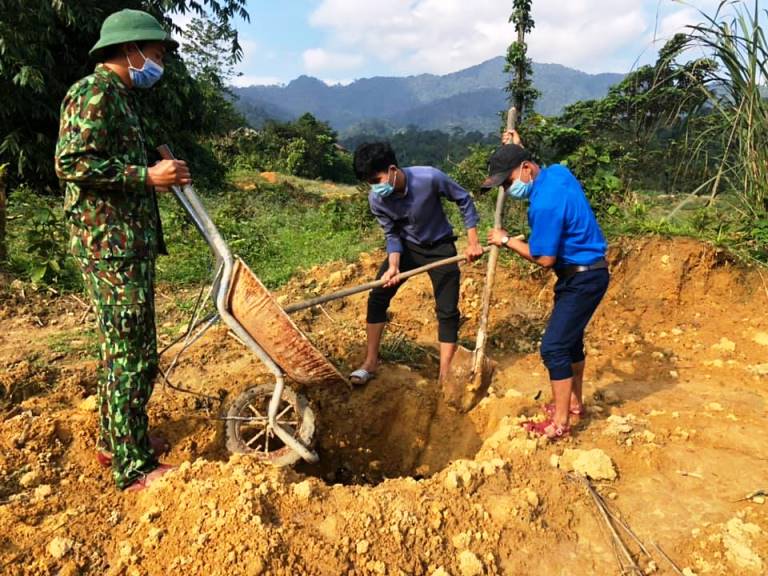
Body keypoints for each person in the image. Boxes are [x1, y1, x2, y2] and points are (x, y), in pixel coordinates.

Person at [55, 9, 190, 491]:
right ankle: (133, 467)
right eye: (155, 54)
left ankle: (116, 440)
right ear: (130, 50)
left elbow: (116, 162)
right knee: (133, 352)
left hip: (125, 243)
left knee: (123, 349)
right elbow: (71, 162)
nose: (159, 63)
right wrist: (146, 176)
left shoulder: (122, 98)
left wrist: (161, 168)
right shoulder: (92, 92)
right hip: (109, 246)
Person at [482, 133, 609, 440]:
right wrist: (517, 146)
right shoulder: (557, 173)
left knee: (553, 348)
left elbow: (545, 259)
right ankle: (574, 403)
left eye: (507, 182)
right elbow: (533, 165)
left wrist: (505, 240)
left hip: (582, 279)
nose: (506, 189)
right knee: (571, 343)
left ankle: (560, 423)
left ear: (527, 168)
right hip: (588, 273)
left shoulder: (545, 204)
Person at [351, 142, 484, 395]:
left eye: (376, 180)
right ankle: (371, 361)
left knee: (447, 311)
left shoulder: (429, 178)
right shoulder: (376, 199)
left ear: (392, 170)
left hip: (440, 247)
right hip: (408, 249)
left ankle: (444, 373)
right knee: (377, 297)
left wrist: (473, 242)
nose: (375, 187)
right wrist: (393, 266)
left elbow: (464, 199)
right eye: (369, 183)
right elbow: (392, 234)